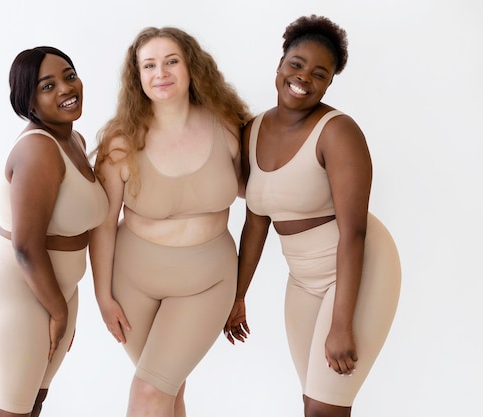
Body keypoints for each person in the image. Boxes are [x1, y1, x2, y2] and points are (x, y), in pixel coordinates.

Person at [224, 15, 401, 417]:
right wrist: (237, 296)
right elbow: (255, 221)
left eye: (319, 74)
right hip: (302, 278)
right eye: (297, 64)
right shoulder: (251, 130)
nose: (303, 78)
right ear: (280, 64)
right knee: (311, 404)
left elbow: (353, 232)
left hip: (359, 267)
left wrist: (342, 324)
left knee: (326, 407)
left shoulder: (338, 132)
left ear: (329, 83)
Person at [89, 26, 251, 417]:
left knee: (150, 391)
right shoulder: (121, 140)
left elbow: (261, 193)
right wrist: (102, 296)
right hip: (132, 283)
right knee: (167, 393)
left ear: (191, 67)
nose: (160, 72)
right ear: (138, 76)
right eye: (149, 65)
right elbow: (103, 225)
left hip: (207, 282)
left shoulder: (227, 126)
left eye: (171, 61)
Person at [0, 46, 108, 417]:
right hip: (22, 290)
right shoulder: (38, 149)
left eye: (69, 75)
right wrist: (59, 312)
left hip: (56, 292)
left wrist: (63, 304)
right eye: (47, 86)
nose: (66, 89)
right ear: (27, 100)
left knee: (33, 403)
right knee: (9, 411)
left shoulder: (75, 142)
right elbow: (26, 246)